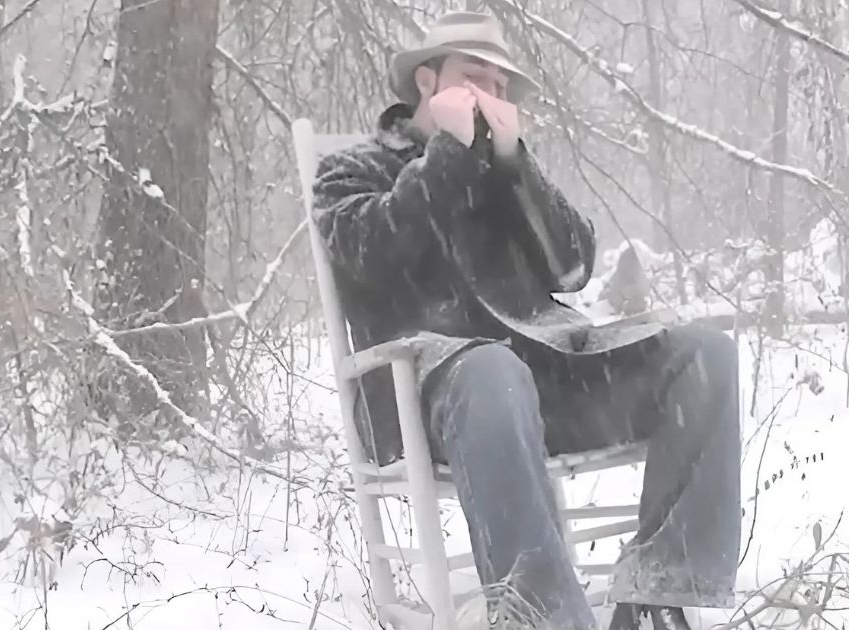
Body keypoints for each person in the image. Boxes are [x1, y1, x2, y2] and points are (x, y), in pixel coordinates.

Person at [313, 11, 741, 630]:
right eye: (473, 77)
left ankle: (660, 592)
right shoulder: (352, 171)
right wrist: (448, 155)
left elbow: (573, 267)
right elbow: (371, 256)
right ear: (427, 81)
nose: (489, 95)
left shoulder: (505, 173)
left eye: (500, 85)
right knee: (493, 371)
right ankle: (543, 617)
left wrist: (516, 165)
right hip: (431, 397)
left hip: (550, 385)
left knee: (706, 353)